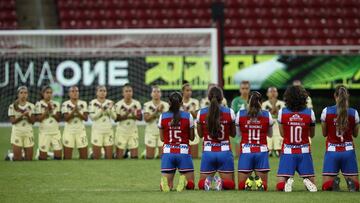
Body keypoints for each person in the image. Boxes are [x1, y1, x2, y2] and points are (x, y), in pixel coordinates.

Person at [276, 85, 317, 192]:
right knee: (312, 183)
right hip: (304, 151)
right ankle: (306, 180)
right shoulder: (309, 113)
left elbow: (282, 134)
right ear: (304, 97)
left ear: (287, 97)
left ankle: (288, 181)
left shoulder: (282, 112)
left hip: (288, 151)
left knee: (280, 185)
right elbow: (311, 135)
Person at [321, 85, 359, 192]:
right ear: (348, 96)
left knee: (326, 187)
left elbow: (324, 134)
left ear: (334, 96)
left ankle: (333, 183)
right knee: (356, 186)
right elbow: (355, 134)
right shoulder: (354, 113)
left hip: (332, 152)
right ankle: (351, 183)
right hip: (348, 152)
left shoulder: (326, 111)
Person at [197, 86, 236, 191]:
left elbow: (200, 135)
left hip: (208, 152)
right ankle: (221, 183)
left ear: (208, 98)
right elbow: (233, 134)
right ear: (222, 98)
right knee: (231, 185)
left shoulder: (201, 113)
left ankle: (208, 182)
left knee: (201, 185)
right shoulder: (230, 112)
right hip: (225, 152)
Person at [158, 92, 195, 192]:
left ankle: (166, 185)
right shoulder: (188, 116)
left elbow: (162, 139)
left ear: (168, 103)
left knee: (165, 187)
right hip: (183, 152)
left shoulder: (163, 117)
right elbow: (192, 138)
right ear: (182, 103)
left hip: (168, 153)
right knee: (191, 185)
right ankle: (185, 182)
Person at [237, 91, 273, 191]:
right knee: (264, 186)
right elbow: (270, 135)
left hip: (246, 151)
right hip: (261, 151)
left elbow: (238, 134)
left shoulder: (240, 114)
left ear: (248, 101)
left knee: (241, 187)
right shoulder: (267, 115)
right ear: (261, 102)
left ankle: (248, 183)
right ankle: (258, 183)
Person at [114, 83, 142, 159]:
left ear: (132, 92)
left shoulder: (137, 103)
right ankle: (124, 154)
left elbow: (140, 118)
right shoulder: (118, 104)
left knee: (135, 157)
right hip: (121, 131)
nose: (128, 93)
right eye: (126, 91)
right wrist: (126, 114)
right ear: (123, 93)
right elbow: (116, 119)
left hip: (133, 131)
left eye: (130, 91)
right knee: (118, 158)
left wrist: (133, 114)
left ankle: (127, 153)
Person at [8, 86, 35, 161]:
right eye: (21, 93)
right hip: (17, 133)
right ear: (18, 94)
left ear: (28, 94)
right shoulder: (12, 106)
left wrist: (27, 116)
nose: (23, 95)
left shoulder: (31, 106)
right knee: (17, 159)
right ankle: (10, 155)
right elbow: (13, 122)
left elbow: (32, 122)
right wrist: (22, 116)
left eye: (25, 93)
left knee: (29, 159)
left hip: (28, 132)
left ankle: (21, 153)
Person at [35, 86, 62, 160]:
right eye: (47, 92)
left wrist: (52, 112)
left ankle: (49, 154)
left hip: (55, 132)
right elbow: (39, 119)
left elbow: (59, 119)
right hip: (44, 133)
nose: (49, 94)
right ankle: (40, 153)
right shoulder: (39, 104)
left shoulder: (56, 104)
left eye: (50, 93)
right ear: (43, 93)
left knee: (58, 158)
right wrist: (47, 110)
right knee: (42, 159)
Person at [88, 86, 116, 159]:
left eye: (104, 91)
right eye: (100, 91)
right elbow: (92, 117)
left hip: (108, 131)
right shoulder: (92, 103)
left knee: (109, 158)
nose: (103, 92)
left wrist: (109, 109)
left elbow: (114, 117)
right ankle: (92, 153)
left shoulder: (110, 102)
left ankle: (103, 152)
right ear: (96, 93)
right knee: (96, 158)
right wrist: (102, 109)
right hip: (97, 131)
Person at [61, 86, 89, 160]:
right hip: (69, 131)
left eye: (77, 91)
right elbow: (66, 119)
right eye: (72, 91)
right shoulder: (65, 104)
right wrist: (74, 111)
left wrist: (77, 112)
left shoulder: (83, 103)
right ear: (69, 94)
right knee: (67, 158)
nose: (75, 93)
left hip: (80, 131)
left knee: (84, 158)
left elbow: (86, 118)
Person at [143, 86, 169, 159]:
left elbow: (169, 120)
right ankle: (145, 153)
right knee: (149, 157)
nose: (156, 93)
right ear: (151, 94)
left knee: (162, 157)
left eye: (158, 92)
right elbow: (146, 119)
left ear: (161, 94)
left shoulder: (166, 105)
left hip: (163, 133)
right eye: (154, 91)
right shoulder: (147, 105)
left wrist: (162, 112)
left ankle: (157, 152)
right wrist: (156, 111)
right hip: (150, 132)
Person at [261, 87, 285, 157]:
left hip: (278, 127)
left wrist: (274, 106)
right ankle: (270, 150)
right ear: (267, 94)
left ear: (277, 93)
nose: (273, 93)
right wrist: (274, 106)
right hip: (268, 127)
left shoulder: (282, 103)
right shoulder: (264, 104)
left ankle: (277, 149)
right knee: (267, 151)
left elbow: (280, 115)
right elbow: (266, 117)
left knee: (279, 152)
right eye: (271, 92)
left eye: (274, 91)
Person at [231, 80, 251, 157]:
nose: (245, 90)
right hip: (239, 126)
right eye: (243, 88)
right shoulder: (236, 101)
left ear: (249, 89)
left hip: (251, 126)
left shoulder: (253, 100)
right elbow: (232, 114)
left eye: (246, 88)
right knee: (238, 152)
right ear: (240, 89)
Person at [181, 83, 200, 158]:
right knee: (183, 155)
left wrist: (192, 112)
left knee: (194, 157)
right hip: (182, 129)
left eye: (190, 90)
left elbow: (197, 117)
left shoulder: (195, 102)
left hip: (193, 128)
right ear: (183, 91)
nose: (189, 92)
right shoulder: (179, 101)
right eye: (187, 90)